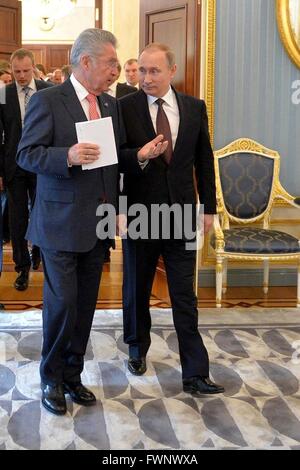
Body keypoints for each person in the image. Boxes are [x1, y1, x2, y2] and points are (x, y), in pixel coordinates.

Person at [16, 28, 121, 416]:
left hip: (97, 224)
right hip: (59, 224)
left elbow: (111, 163)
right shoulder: (49, 100)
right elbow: (26, 155)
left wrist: (136, 161)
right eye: (111, 62)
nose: (115, 69)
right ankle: (51, 377)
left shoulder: (110, 105)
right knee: (63, 304)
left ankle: (73, 375)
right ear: (87, 61)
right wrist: (68, 156)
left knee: (86, 306)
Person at [119, 43, 225, 396]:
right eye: (143, 71)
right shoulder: (124, 107)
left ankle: (195, 372)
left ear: (172, 71)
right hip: (139, 212)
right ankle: (137, 348)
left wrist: (209, 207)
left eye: (154, 71)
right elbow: (116, 158)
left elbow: (204, 160)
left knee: (184, 293)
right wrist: (140, 155)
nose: (146, 78)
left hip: (182, 212)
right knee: (137, 286)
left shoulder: (194, 108)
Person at [0, 49, 51, 291]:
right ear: (11, 69)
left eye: (25, 71)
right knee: (17, 218)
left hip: (42, 164)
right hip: (14, 165)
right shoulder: (3, 94)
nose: (21, 76)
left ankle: (39, 253)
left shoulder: (47, 90)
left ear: (33, 68)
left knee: (42, 213)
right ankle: (21, 266)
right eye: (16, 71)